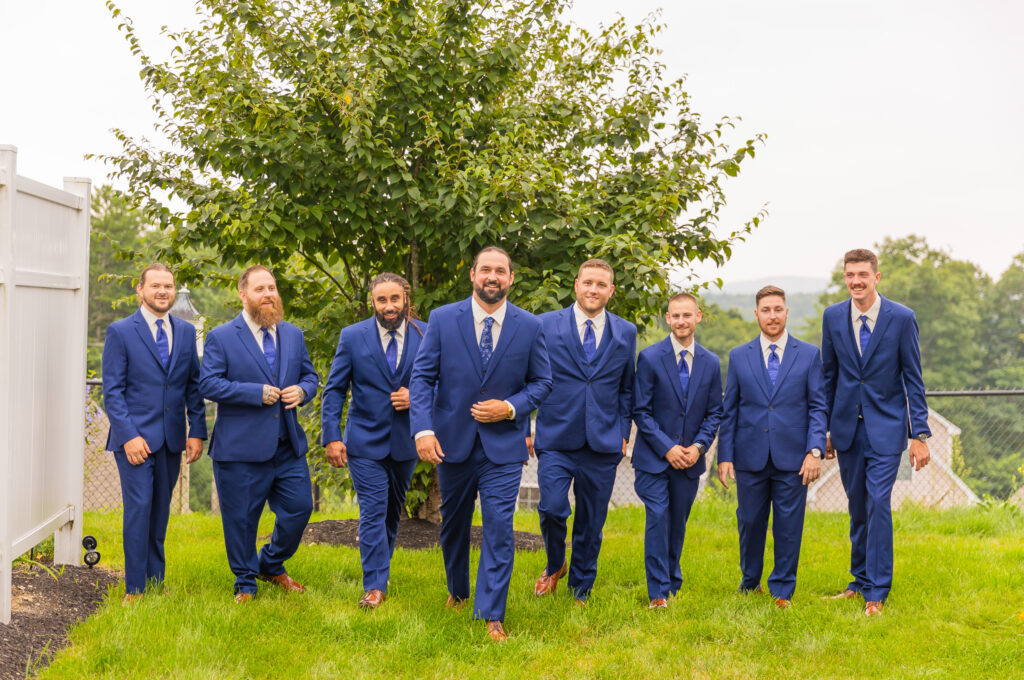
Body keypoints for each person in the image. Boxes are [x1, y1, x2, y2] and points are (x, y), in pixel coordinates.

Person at [409, 246, 552, 642]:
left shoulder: (529, 326)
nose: (493, 277)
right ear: (472, 275)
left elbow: (542, 382)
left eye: (501, 271)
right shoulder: (442, 319)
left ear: (510, 279)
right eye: (485, 270)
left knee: (499, 528)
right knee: (453, 524)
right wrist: (423, 430)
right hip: (451, 443)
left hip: (503, 448)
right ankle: (457, 590)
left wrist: (510, 407)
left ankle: (491, 614)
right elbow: (421, 379)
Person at [200, 265, 319, 603]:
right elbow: (208, 384)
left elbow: (310, 376)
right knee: (241, 519)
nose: (268, 294)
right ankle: (245, 583)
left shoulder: (293, 334)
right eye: (260, 289)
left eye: (272, 288)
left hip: (286, 445)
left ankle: (270, 562)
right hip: (239, 449)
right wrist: (255, 393)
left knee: (299, 508)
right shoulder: (222, 336)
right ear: (243, 294)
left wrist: (303, 391)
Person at [821, 248, 931, 616]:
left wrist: (920, 435)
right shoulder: (833, 317)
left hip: (887, 430)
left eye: (863, 275)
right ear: (845, 277)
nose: (856, 281)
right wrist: (825, 430)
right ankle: (858, 581)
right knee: (858, 506)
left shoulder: (901, 318)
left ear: (876, 277)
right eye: (850, 275)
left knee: (878, 502)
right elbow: (829, 377)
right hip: (847, 430)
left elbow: (913, 379)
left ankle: (877, 593)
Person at [321, 272, 428, 609]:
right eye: (382, 300)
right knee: (372, 510)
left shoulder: (426, 334)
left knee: (392, 513)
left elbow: (443, 383)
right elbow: (335, 389)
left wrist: (416, 397)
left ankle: (382, 570)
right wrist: (331, 437)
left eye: (394, 298)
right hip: (364, 441)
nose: (389, 306)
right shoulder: (352, 337)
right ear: (373, 302)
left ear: (405, 298)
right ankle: (375, 585)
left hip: (405, 442)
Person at [532, 259, 636, 604]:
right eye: (588, 282)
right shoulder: (544, 325)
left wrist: (622, 431)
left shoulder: (626, 332)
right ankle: (555, 563)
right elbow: (527, 377)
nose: (593, 290)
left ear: (611, 291)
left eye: (601, 285)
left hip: (604, 442)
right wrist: (524, 427)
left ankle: (581, 589)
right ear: (576, 285)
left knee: (591, 523)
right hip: (556, 437)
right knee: (551, 507)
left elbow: (626, 388)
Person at [717, 286, 827, 608]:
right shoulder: (739, 356)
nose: (772, 315)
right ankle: (750, 582)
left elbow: (818, 407)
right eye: (766, 310)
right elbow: (730, 410)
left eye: (778, 309)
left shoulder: (808, 355)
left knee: (788, 526)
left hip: (794, 457)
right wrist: (725, 456)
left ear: (787, 312)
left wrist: (814, 450)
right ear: (756, 314)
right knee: (749, 522)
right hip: (749, 455)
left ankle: (782, 591)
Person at [102, 263, 206, 603]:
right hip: (134, 440)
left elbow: (193, 386)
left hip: (172, 438)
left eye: (169, 286)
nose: (163, 291)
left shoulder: (186, 332)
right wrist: (129, 436)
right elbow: (113, 392)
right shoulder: (121, 331)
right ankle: (134, 588)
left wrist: (197, 432)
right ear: (141, 290)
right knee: (139, 508)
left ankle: (155, 582)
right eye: (156, 285)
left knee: (160, 511)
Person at [632, 293, 723, 609]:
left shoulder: (711, 362)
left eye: (688, 315)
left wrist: (698, 448)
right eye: (675, 316)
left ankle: (671, 578)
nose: (681, 321)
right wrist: (667, 447)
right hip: (653, 459)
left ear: (698, 317)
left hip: (690, 461)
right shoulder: (649, 358)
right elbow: (641, 411)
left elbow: (714, 413)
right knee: (657, 516)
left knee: (677, 522)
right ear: (667, 319)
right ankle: (658, 592)